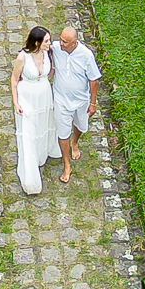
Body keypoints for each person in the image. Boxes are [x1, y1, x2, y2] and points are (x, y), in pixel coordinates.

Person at [11, 26, 58, 195]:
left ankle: (42, 153)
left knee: (42, 125)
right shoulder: (23, 57)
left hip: (44, 96)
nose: (49, 43)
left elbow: (50, 71)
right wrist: (16, 103)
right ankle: (30, 175)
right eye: (46, 41)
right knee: (28, 131)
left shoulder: (47, 53)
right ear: (37, 42)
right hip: (27, 98)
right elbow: (14, 79)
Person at [52, 26, 101, 182]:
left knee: (81, 125)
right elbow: (40, 48)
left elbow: (93, 80)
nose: (61, 43)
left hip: (80, 100)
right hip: (60, 98)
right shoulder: (56, 47)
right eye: (60, 39)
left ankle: (75, 142)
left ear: (74, 42)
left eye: (65, 42)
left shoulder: (86, 55)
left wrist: (92, 103)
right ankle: (67, 164)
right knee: (63, 133)